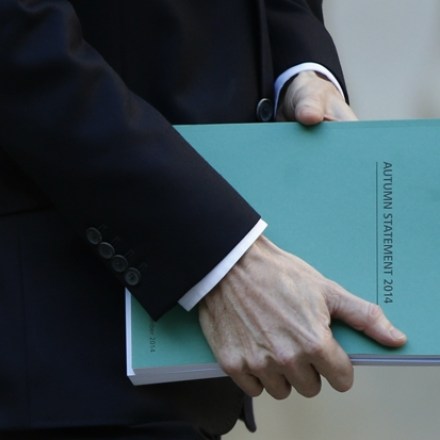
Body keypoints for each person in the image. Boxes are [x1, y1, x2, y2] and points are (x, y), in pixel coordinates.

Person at [0, 1, 406, 439]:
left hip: (183, 374)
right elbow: (17, 34)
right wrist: (220, 260)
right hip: (60, 341)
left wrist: (298, 65)